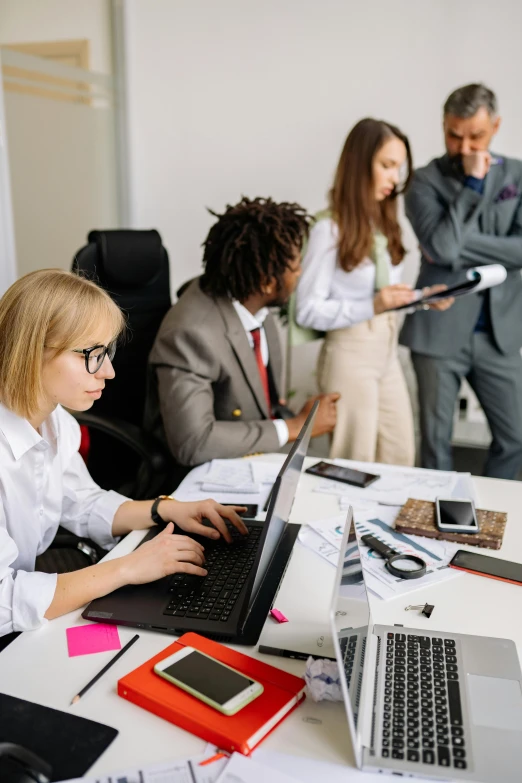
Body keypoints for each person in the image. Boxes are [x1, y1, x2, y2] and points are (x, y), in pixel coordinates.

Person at [0, 269, 248, 640]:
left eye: (108, 352)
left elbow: (82, 503)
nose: (109, 372)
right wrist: (128, 568)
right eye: (92, 354)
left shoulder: (55, 422)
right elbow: (5, 599)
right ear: (34, 349)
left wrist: (165, 508)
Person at [295, 118, 452, 464]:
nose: (395, 179)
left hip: (386, 350)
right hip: (351, 353)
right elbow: (306, 310)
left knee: (400, 455)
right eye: (387, 166)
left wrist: (421, 299)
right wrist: (372, 305)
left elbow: (384, 298)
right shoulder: (328, 229)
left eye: (399, 168)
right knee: (354, 460)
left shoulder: (382, 224)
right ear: (359, 163)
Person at [146, 197, 339, 467]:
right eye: (295, 267)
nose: (301, 273)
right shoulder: (190, 334)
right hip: (200, 481)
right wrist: (292, 427)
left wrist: (297, 417)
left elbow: (262, 405)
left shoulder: (258, 308)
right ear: (266, 282)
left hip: (254, 463)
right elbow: (194, 442)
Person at [401, 84, 522, 479]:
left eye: (476, 136)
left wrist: (460, 244)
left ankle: (493, 518)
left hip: (500, 334)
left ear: (497, 126)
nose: (466, 147)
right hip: (439, 331)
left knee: (516, 438)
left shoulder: (517, 176)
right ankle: (436, 531)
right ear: (443, 126)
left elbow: (454, 247)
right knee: (436, 446)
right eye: (455, 135)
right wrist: (471, 186)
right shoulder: (422, 181)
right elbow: (441, 248)